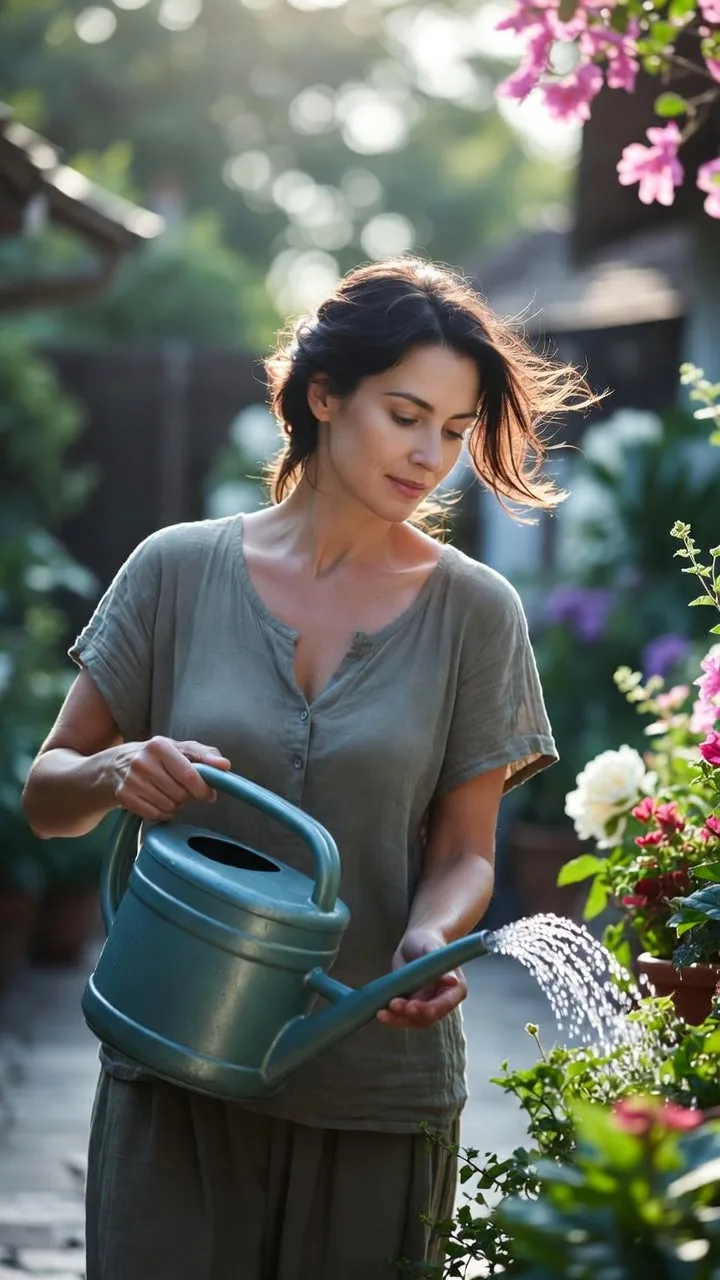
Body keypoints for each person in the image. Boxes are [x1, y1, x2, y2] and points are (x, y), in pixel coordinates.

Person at [22, 256, 594, 1280]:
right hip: (175, 1053)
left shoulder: (476, 612)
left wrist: (430, 932)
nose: (430, 455)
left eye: (456, 431)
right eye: (405, 414)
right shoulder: (174, 569)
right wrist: (116, 770)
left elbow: (468, 850)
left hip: (374, 1077)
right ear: (325, 395)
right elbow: (46, 795)